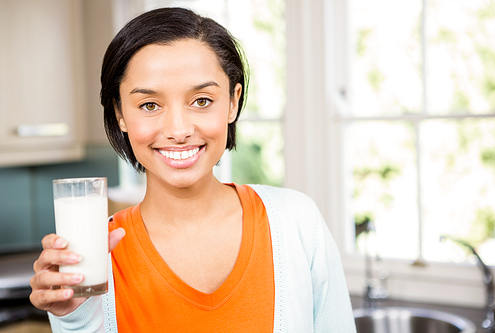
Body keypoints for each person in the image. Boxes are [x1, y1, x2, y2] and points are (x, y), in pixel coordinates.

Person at [29, 7, 356, 332]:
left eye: (201, 100)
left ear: (232, 101)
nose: (179, 129)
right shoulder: (96, 260)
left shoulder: (296, 222)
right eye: (149, 105)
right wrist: (75, 319)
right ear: (120, 114)